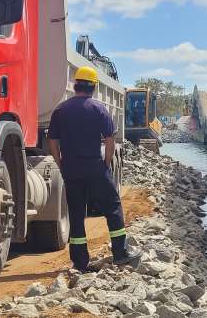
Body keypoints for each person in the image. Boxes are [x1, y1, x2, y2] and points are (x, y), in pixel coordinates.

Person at [48, 66, 141, 272]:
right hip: (94, 167)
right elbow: (110, 140)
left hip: (71, 169)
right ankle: (120, 253)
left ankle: (80, 262)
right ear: (93, 87)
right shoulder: (99, 109)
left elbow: (53, 142)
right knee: (113, 207)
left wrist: (61, 163)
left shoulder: (60, 110)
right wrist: (106, 163)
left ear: (74, 85)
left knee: (76, 213)